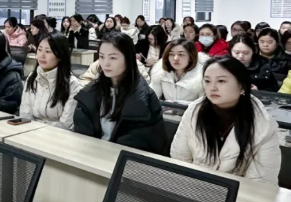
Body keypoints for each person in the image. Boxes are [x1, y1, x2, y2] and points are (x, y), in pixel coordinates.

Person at [170, 57, 281, 185]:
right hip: (193, 188)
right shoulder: (194, 111)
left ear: (242, 86)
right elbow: (180, 158)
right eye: (207, 81)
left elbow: (261, 182)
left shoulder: (263, 124)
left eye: (221, 81)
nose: (212, 88)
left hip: (239, 194)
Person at [73, 32, 167, 154]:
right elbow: (82, 132)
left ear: (128, 59)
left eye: (113, 58)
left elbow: (144, 141)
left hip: (125, 159)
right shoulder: (91, 92)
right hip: (91, 154)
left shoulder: (145, 98)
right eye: (101, 57)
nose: (106, 63)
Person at [20, 32, 82, 129]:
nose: (42, 55)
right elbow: (25, 114)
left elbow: (66, 125)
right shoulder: (32, 78)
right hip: (29, 132)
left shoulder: (73, 85)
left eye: (48, 51)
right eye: (39, 49)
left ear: (60, 55)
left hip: (56, 136)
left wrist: (37, 130)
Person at [149, 39, 203, 104]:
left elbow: (203, 104)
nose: (175, 58)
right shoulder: (160, 72)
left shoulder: (202, 75)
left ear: (191, 57)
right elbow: (151, 97)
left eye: (181, 54)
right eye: (171, 54)